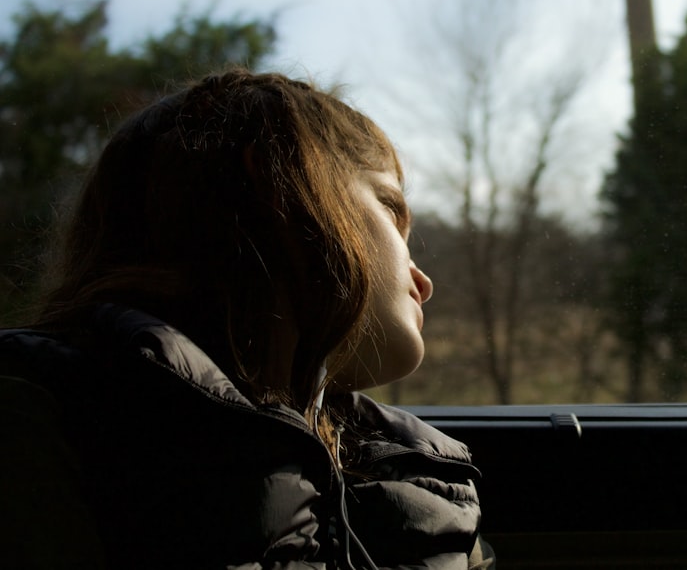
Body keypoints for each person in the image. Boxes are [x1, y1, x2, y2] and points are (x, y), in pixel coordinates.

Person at [0, 69, 494, 569]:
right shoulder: (33, 430)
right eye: (391, 210)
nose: (423, 281)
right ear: (282, 188)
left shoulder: (426, 481)